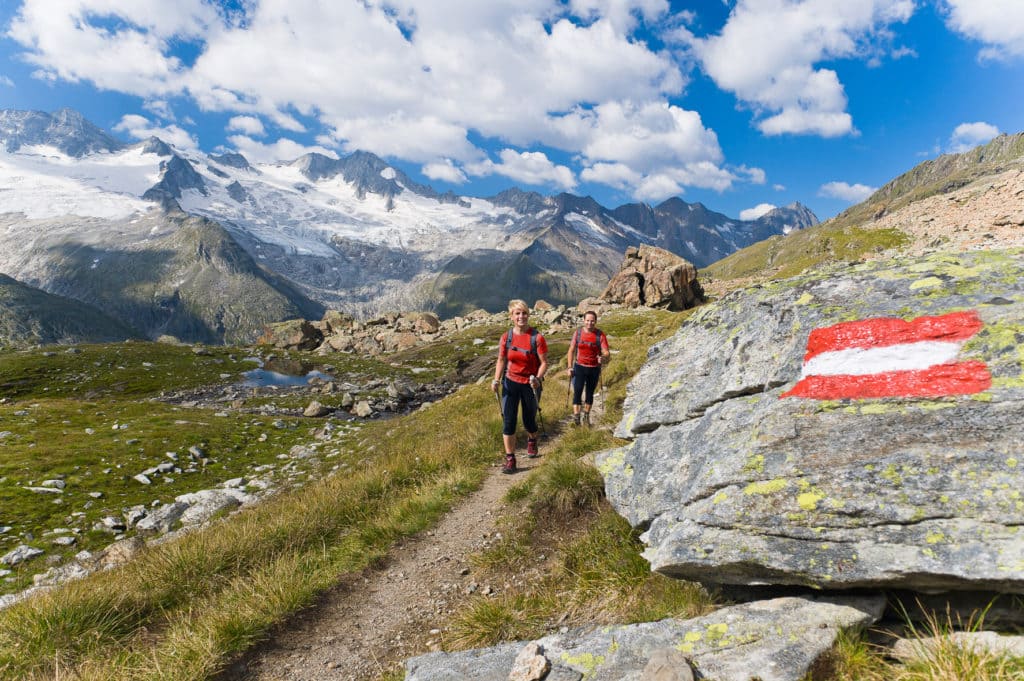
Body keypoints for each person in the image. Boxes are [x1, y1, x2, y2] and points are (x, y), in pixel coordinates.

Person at [492, 299, 548, 474]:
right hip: (510, 383)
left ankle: (532, 440)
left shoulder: (536, 337)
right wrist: (496, 379)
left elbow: (544, 363)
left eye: (524, 313)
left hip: (530, 384)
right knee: (508, 422)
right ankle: (511, 459)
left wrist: (538, 379)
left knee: (529, 420)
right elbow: (501, 360)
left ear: (528, 315)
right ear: (511, 316)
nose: (521, 316)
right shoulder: (506, 337)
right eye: (517, 313)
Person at [566, 310, 610, 427]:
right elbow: (571, 350)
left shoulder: (600, 335)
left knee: (589, 393)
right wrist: (570, 367)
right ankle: (576, 418)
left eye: (592, 321)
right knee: (578, 392)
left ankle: (586, 416)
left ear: (595, 321)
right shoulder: (578, 333)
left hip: (594, 368)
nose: (590, 323)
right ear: (584, 320)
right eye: (587, 321)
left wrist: (603, 357)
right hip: (579, 367)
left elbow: (606, 352)